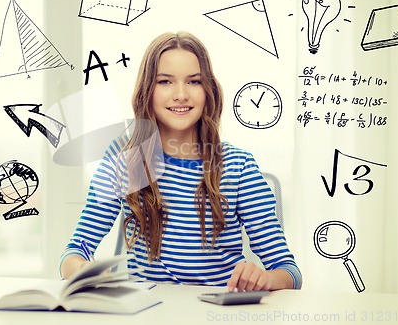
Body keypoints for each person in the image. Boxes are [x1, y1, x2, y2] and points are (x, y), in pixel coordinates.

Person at [60, 31, 302, 292]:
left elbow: (289, 272)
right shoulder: (124, 159)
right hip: (149, 313)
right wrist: (81, 269)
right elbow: (75, 251)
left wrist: (264, 279)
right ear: (147, 91)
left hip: (217, 315)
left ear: (208, 90)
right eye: (165, 81)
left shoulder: (238, 166)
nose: (181, 94)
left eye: (194, 82)